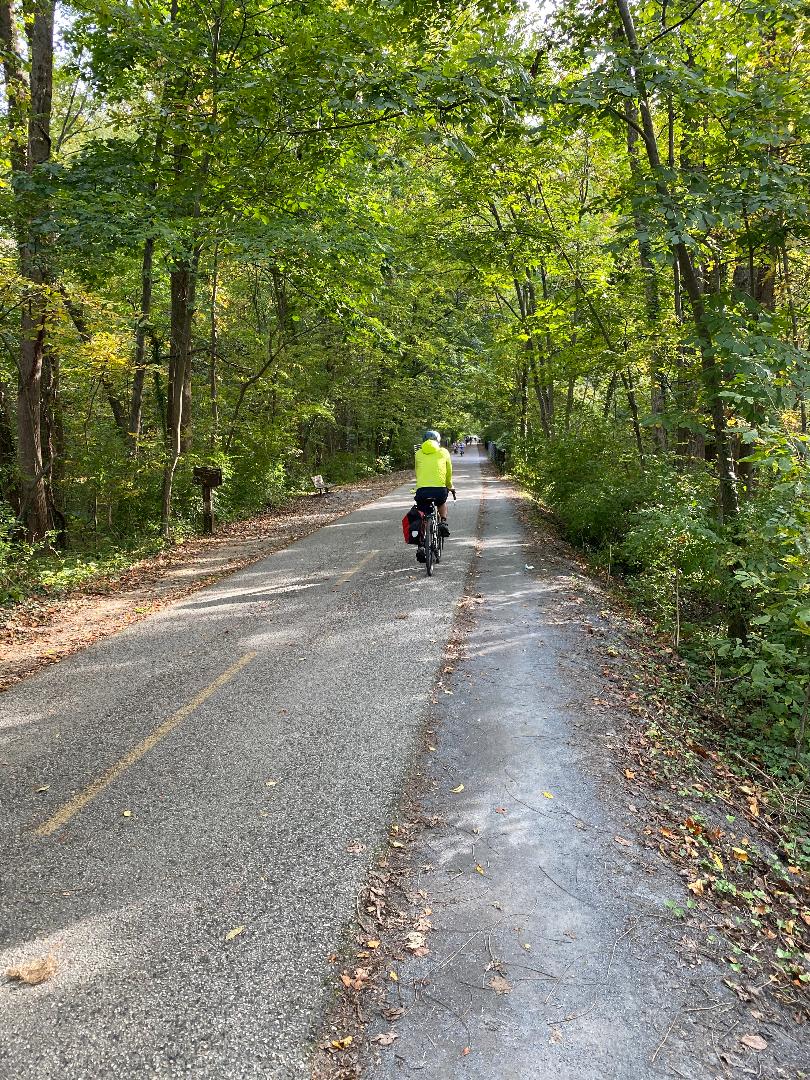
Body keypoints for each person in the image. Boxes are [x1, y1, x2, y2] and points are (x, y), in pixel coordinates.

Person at [414, 429, 454, 542]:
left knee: (422, 512)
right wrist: (449, 485)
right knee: (441, 502)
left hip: (422, 490)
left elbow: (417, 471)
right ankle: (443, 522)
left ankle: (422, 544)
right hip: (439, 490)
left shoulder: (418, 453)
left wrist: (420, 485)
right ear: (438, 440)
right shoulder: (444, 452)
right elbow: (448, 471)